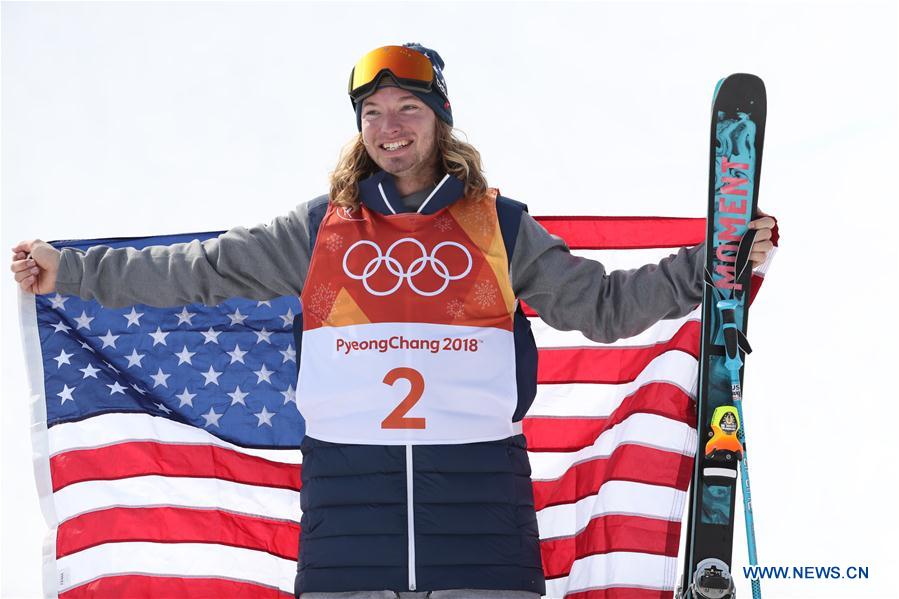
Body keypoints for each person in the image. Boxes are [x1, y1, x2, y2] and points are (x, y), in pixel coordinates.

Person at [10, 43, 777, 599]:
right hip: (350, 533)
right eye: (373, 112)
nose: (390, 125)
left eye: (408, 107)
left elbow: (604, 306)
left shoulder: (498, 228)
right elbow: (197, 271)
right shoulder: (319, 230)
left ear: (440, 119)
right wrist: (69, 270)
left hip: (481, 526)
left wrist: (712, 265)